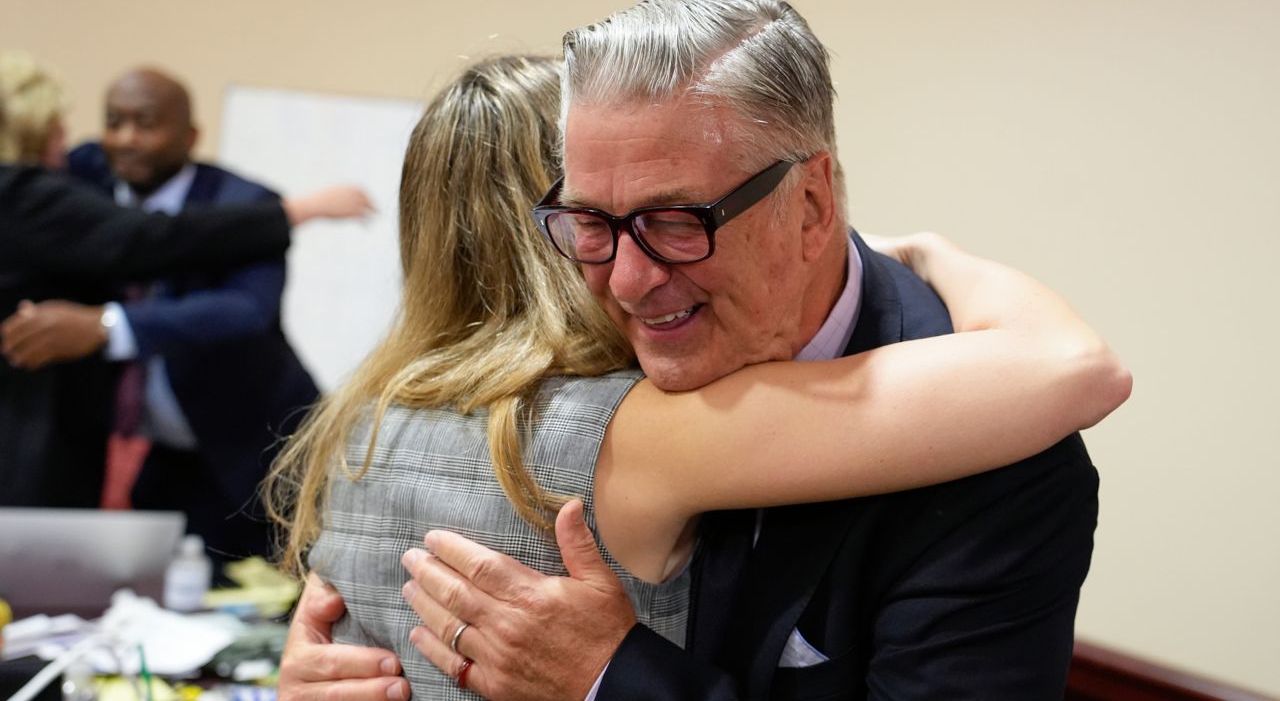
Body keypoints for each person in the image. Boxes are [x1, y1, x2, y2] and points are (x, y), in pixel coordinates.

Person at [271, 50, 1129, 700]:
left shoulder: (365, 417)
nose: (634, 265)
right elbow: (1066, 368)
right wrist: (943, 253)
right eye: (600, 221)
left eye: (667, 217)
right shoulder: (634, 430)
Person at [0, 50, 371, 508]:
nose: (126, 139)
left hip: (254, 449)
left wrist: (107, 326)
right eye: (114, 122)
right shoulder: (81, 177)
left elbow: (244, 311)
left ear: (191, 135)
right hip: (152, 455)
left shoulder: (246, 205)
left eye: (147, 123)